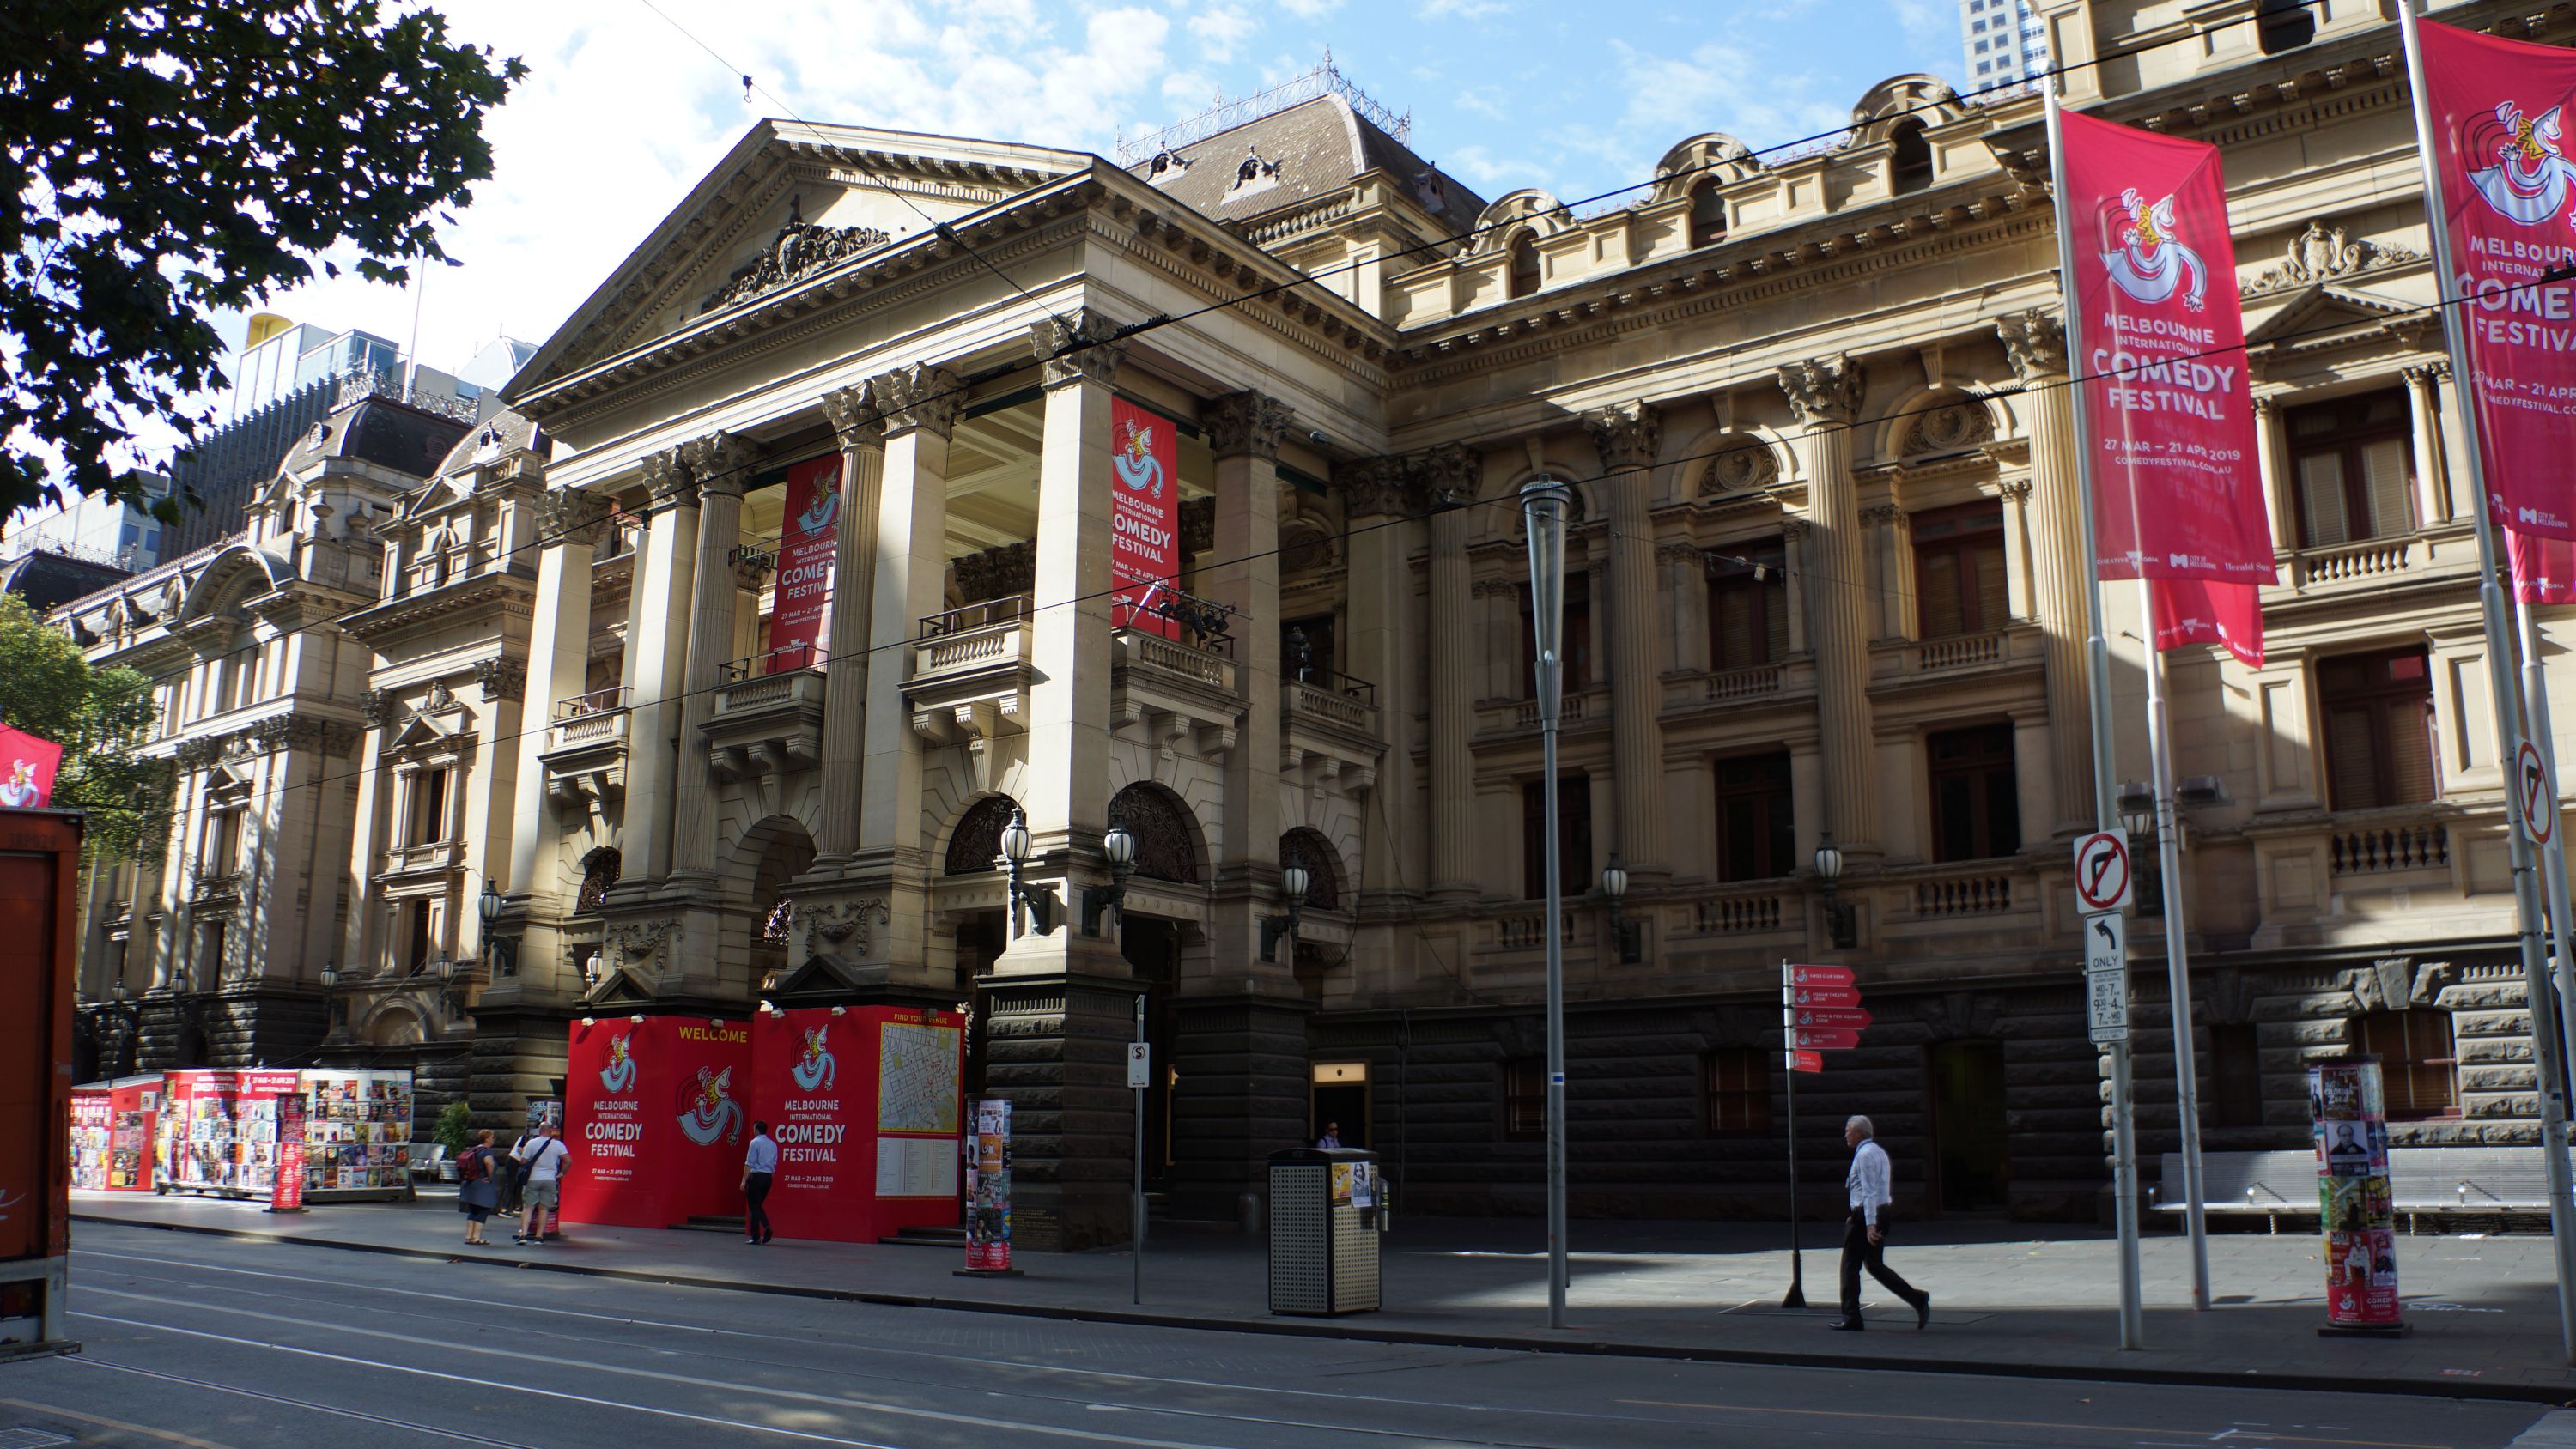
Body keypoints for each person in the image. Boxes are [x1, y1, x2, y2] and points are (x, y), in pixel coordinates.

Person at [1832, 1115, 1930, 1332]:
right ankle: (1917, 1299)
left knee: (1850, 1266)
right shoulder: (1879, 1152)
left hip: (1868, 1216)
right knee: (1875, 1264)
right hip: (1881, 1211)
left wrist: (1868, 1224)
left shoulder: (1865, 1155)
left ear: (1859, 1133)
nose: (1845, 1134)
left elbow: (1868, 1191)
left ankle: (1851, 1316)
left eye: (1848, 1130)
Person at [515, 1122, 568, 1246]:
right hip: (549, 1179)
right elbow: (568, 1161)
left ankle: (523, 1235)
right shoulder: (558, 1145)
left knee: (528, 1207)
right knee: (544, 1209)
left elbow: (524, 1161)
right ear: (550, 1131)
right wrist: (561, 1174)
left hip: (533, 1179)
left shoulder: (531, 1143)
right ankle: (539, 1237)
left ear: (539, 1131)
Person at [455, 1130, 499, 1246]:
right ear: (487, 1139)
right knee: (484, 1209)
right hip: (482, 1185)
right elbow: (489, 1163)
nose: (494, 1139)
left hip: (470, 1184)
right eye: (493, 1137)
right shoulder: (487, 1152)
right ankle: (476, 1237)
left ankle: (469, 1236)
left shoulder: (473, 1150)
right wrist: (489, 1177)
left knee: (473, 1210)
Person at [741, 1119, 779, 1245]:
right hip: (767, 1177)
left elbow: (749, 1163)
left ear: (756, 1129)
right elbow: (774, 1163)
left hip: (756, 1176)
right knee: (757, 1205)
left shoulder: (755, 1143)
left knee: (753, 1206)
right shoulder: (773, 1144)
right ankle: (760, 1232)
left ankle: (759, 1233)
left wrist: (743, 1181)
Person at [499, 1120, 538, 1218]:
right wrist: (528, 1157)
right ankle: (504, 1208)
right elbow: (520, 1148)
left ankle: (517, 1208)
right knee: (511, 1184)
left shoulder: (529, 1137)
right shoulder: (527, 1137)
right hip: (515, 1161)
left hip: (516, 1161)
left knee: (518, 1184)